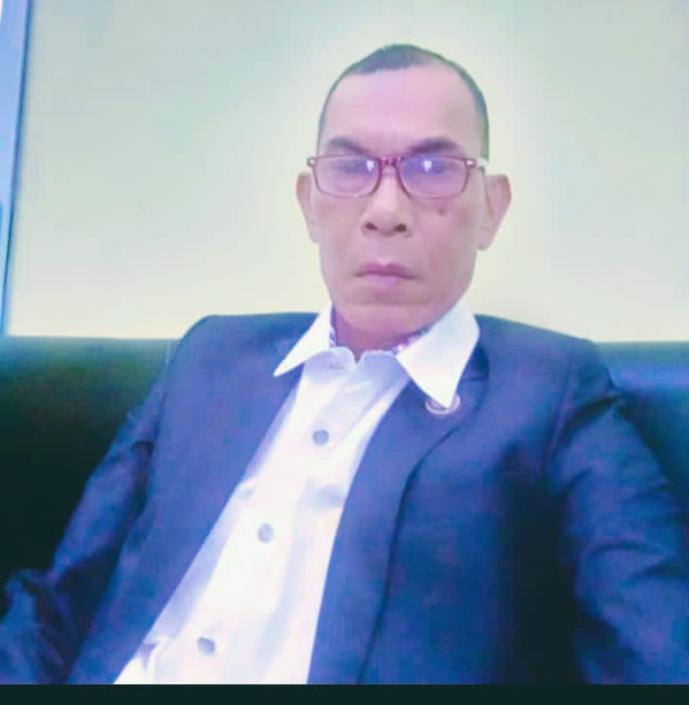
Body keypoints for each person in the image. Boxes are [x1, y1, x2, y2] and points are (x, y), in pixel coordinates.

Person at [1, 43, 688, 684]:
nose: (385, 211)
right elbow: (58, 600)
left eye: (433, 169)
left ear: (490, 208)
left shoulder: (550, 392)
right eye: (350, 168)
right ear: (310, 202)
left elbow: (654, 643)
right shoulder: (209, 359)